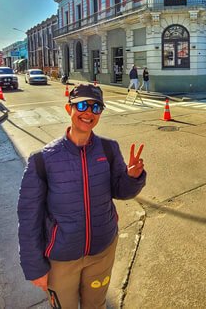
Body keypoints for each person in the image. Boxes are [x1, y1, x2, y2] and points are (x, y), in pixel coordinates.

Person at [17, 84, 146, 308]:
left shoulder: (109, 149)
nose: (89, 112)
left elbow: (120, 191)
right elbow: (29, 218)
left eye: (96, 107)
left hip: (102, 252)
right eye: (82, 105)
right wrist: (35, 267)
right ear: (69, 109)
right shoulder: (42, 160)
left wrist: (133, 177)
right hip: (61, 259)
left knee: (96, 305)